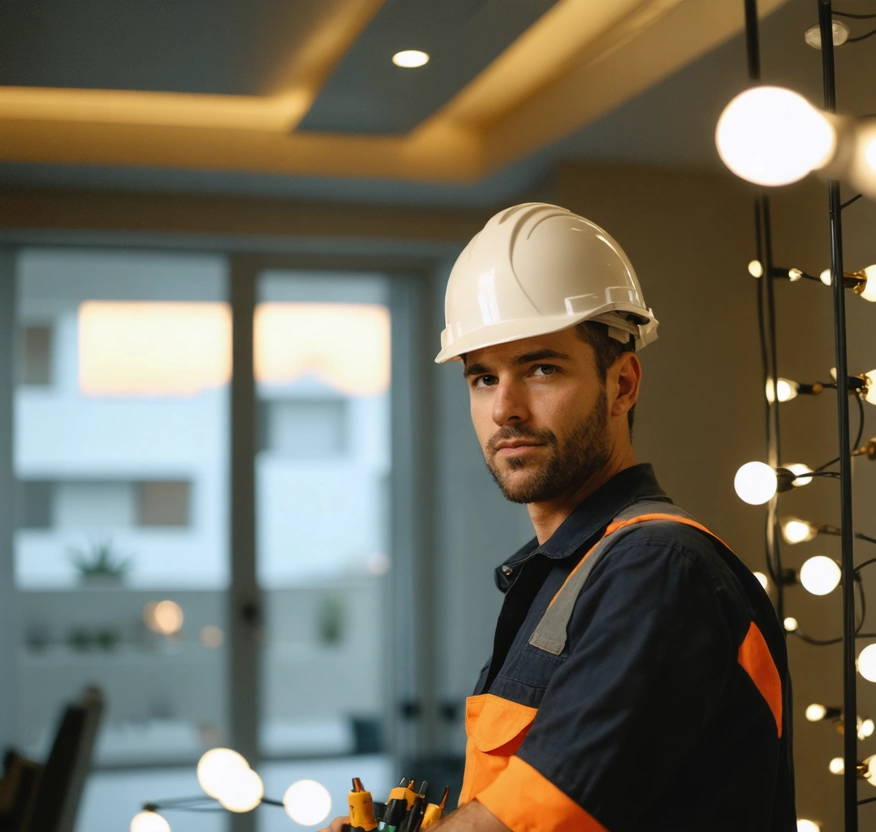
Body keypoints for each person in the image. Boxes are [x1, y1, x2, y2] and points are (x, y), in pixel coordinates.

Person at [325, 203, 795, 831]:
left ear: (622, 384)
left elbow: (534, 822)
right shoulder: (565, 576)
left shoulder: (657, 570)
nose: (505, 409)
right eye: (483, 378)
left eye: (541, 368)